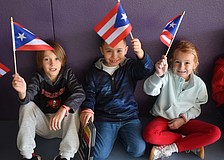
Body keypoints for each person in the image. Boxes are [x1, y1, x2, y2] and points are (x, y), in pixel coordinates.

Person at [142, 40, 221, 160]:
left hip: (185, 121)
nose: (181, 67)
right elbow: (149, 90)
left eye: (187, 63)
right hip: (163, 119)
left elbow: (196, 107)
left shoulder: (199, 85)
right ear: (172, 62)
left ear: (195, 65)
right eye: (177, 62)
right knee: (149, 135)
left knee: (215, 132)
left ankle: (171, 148)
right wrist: (158, 75)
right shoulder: (166, 75)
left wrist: (183, 119)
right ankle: (190, 142)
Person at [80, 38, 154, 160]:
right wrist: (88, 108)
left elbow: (146, 70)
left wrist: (140, 53)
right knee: (98, 156)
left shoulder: (129, 66)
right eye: (109, 51)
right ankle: (113, 135)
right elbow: (89, 93)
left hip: (129, 116)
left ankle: (121, 135)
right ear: (102, 50)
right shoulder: (94, 71)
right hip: (105, 118)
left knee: (138, 150)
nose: (114, 56)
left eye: (119, 51)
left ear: (126, 50)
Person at [12, 41, 85, 160]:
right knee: (26, 106)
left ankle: (65, 156)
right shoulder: (38, 77)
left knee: (74, 108)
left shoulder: (67, 74)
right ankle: (28, 155)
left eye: (56, 59)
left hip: (63, 125)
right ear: (41, 62)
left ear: (62, 61)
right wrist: (22, 92)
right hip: (44, 125)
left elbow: (80, 93)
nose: (52, 63)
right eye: (47, 59)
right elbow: (28, 97)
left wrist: (64, 108)